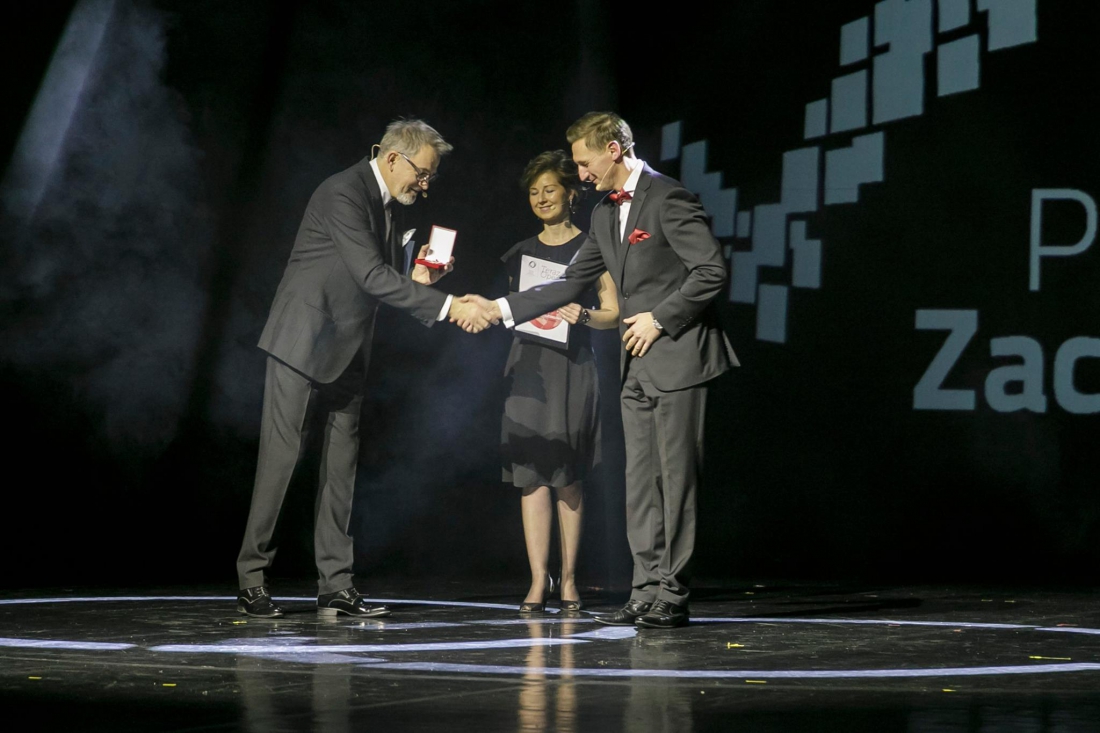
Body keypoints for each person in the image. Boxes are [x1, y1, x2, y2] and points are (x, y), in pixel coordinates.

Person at [476, 112, 738, 629]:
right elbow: (568, 284)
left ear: (613, 149)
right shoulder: (604, 213)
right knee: (639, 482)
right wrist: (499, 308)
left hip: (679, 357)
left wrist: (660, 318)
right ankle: (645, 589)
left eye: (584, 161)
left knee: (676, 481)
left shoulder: (667, 198)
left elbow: (710, 270)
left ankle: (672, 592)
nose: (580, 173)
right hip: (634, 365)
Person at [235, 119, 494, 619]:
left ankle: (336, 583)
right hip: (302, 343)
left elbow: (385, 279)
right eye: (422, 173)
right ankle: (252, 578)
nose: (425, 185)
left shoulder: (389, 205)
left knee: (341, 469)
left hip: (349, 348)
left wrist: (420, 279)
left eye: (431, 177)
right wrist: (449, 306)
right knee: (281, 461)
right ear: (393, 157)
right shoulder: (343, 192)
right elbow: (372, 276)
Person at [500, 151, 619, 614]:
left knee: (567, 476)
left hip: (572, 368)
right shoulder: (520, 253)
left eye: (549, 189)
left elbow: (615, 312)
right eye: (534, 192)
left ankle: (568, 579)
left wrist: (584, 315)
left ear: (571, 194)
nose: (541, 198)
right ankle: (538, 580)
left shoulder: (592, 247)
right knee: (530, 476)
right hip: (527, 367)